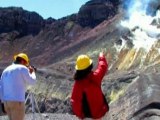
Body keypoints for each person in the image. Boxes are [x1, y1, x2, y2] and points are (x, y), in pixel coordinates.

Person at [71, 52, 109, 120]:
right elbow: (103, 67)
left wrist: (80, 115)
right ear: (90, 66)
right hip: (100, 114)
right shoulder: (96, 76)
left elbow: (75, 102)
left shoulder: (78, 84)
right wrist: (101, 57)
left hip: (87, 117)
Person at [0, 53, 36, 120]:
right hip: (17, 101)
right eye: (26, 64)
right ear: (22, 61)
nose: (26, 66)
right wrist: (33, 72)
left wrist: (2, 103)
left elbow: (1, 87)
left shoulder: (5, 70)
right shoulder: (22, 68)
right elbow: (32, 81)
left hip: (6, 102)